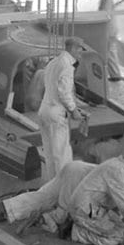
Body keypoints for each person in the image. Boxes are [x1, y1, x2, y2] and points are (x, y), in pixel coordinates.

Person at [0, 160, 124, 233]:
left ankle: (2, 208)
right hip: (76, 180)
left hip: (73, 169)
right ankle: (41, 219)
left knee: (44, 197)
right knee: (64, 214)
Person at [68, 145, 124, 245]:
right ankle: (77, 233)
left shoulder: (120, 167)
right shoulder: (118, 170)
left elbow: (121, 209)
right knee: (116, 236)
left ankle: (81, 224)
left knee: (119, 226)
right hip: (85, 209)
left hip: (92, 206)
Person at [38, 37, 88, 180]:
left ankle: (51, 186)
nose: (80, 53)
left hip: (44, 110)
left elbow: (53, 87)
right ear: (72, 48)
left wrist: (74, 107)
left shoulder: (53, 62)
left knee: (49, 153)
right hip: (56, 114)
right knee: (61, 155)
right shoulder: (67, 65)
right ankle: (63, 188)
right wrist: (74, 111)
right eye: (80, 49)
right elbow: (64, 93)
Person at [96, 0, 121, 81]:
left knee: (109, 52)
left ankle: (115, 75)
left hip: (109, 30)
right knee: (108, 51)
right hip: (108, 29)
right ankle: (114, 74)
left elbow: (104, 14)